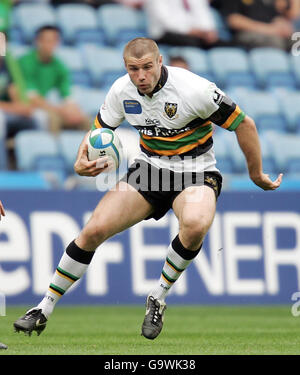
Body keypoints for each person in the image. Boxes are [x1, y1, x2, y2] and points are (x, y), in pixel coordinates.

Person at [14, 37, 282, 340]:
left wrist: (256, 173)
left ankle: (158, 296)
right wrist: (81, 158)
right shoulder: (121, 91)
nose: (140, 76)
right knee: (92, 231)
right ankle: (43, 307)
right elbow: (99, 132)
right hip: (149, 170)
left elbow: (244, 124)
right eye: (133, 69)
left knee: (194, 226)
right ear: (126, 68)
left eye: (146, 68)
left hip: (196, 171)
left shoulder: (195, 90)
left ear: (159, 62)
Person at [18, 25, 90, 134]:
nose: (51, 45)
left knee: (86, 119)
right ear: (38, 41)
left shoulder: (59, 65)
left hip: (45, 105)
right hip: (24, 106)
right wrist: (60, 110)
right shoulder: (25, 62)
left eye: (54, 41)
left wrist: (72, 110)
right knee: (52, 118)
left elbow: (67, 94)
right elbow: (31, 96)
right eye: (48, 41)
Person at [218, 0, 300, 50]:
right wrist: (268, 29)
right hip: (246, 33)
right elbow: (233, 20)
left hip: (273, 31)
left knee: (297, 39)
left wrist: (282, 23)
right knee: (274, 41)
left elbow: (281, 16)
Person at [144, 0, 220, 49]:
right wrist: (191, 31)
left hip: (195, 34)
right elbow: (165, 21)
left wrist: (208, 31)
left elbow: (203, 13)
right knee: (194, 44)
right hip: (164, 34)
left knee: (219, 44)